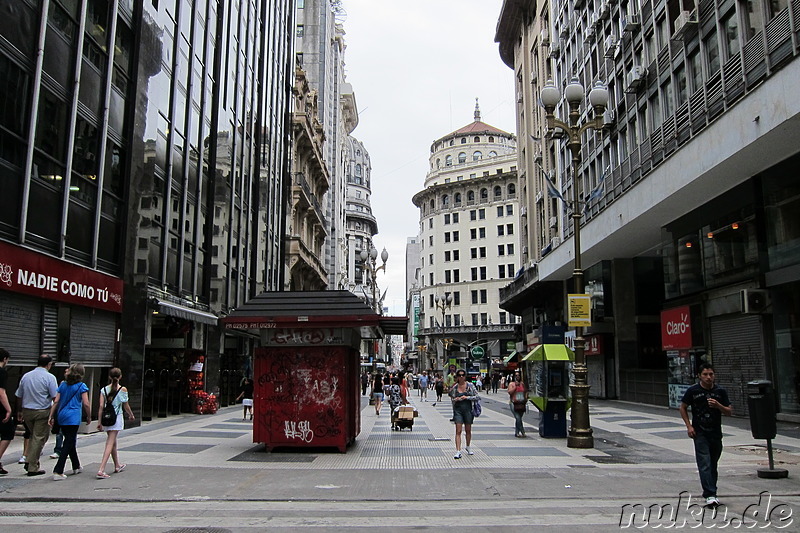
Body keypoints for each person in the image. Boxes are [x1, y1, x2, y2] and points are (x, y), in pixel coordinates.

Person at [679, 363, 732, 507]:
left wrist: (718, 406)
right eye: (705, 374)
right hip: (700, 432)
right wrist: (689, 426)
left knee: (713, 463)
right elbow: (683, 407)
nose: (709, 377)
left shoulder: (720, 391)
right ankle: (710, 494)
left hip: (715, 432)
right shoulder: (693, 391)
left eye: (711, 374)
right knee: (705, 464)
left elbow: (729, 411)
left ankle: (712, 491)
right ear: (699, 376)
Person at [15, 354, 58, 476]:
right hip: (42, 411)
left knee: (34, 436)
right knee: (39, 438)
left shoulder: (26, 376)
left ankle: (31, 460)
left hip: (27, 410)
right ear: (48, 364)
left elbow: (19, 395)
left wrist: (19, 411)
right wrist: (54, 414)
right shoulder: (50, 378)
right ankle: (31, 464)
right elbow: (55, 396)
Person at [48, 364, 90, 480]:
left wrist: (51, 415)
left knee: (70, 440)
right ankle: (58, 470)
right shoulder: (82, 386)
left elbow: (56, 401)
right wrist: (89, 416)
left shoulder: (62, 385)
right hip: (74, 416)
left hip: (62, 415)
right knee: (69, 442)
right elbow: (86, 403)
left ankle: (76, 465)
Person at [96, 367, 135, 479]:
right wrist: (131, 414)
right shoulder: (122, 389)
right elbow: (125, 405)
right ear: (120, 376)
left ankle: (117, 465)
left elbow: (101, 407)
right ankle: (101, 469)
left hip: (106, 418)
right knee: (110, 442)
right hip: (116, 418)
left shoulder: (103, 390)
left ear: (109, 377)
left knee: (113, 442)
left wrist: (99, 422)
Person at [449, 370, 478, 459]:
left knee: (468, 429)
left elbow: (477, 396)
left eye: (463, 375)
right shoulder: (455, 387)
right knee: (458, 430)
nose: (461, 377)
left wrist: (467, 397)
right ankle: (458, 450)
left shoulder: (470, 386)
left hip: (468, 410)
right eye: (459, 375)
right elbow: (451, 397)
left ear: (465, 376)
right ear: (457, 377)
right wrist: (456, 399)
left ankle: (468, 446)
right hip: (458, 410)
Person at [0, 348, 13, 476]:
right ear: (4, 359)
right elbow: (1, 392)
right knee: (8, 433)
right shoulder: (2, 372)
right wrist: (8, 409)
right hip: (0, 408)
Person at [507, 371, 527, 437]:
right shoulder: (511, 384)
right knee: (518, 418)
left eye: (518, 375)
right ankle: (522, 431)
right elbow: (509, 392)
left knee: (519, 418)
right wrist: (515, 387)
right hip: (513, 403)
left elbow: (525, 392)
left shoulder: (522, 384)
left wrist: (525, 398)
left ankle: (517, 432)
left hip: (521, 403)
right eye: (516, 375)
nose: (517, 376)